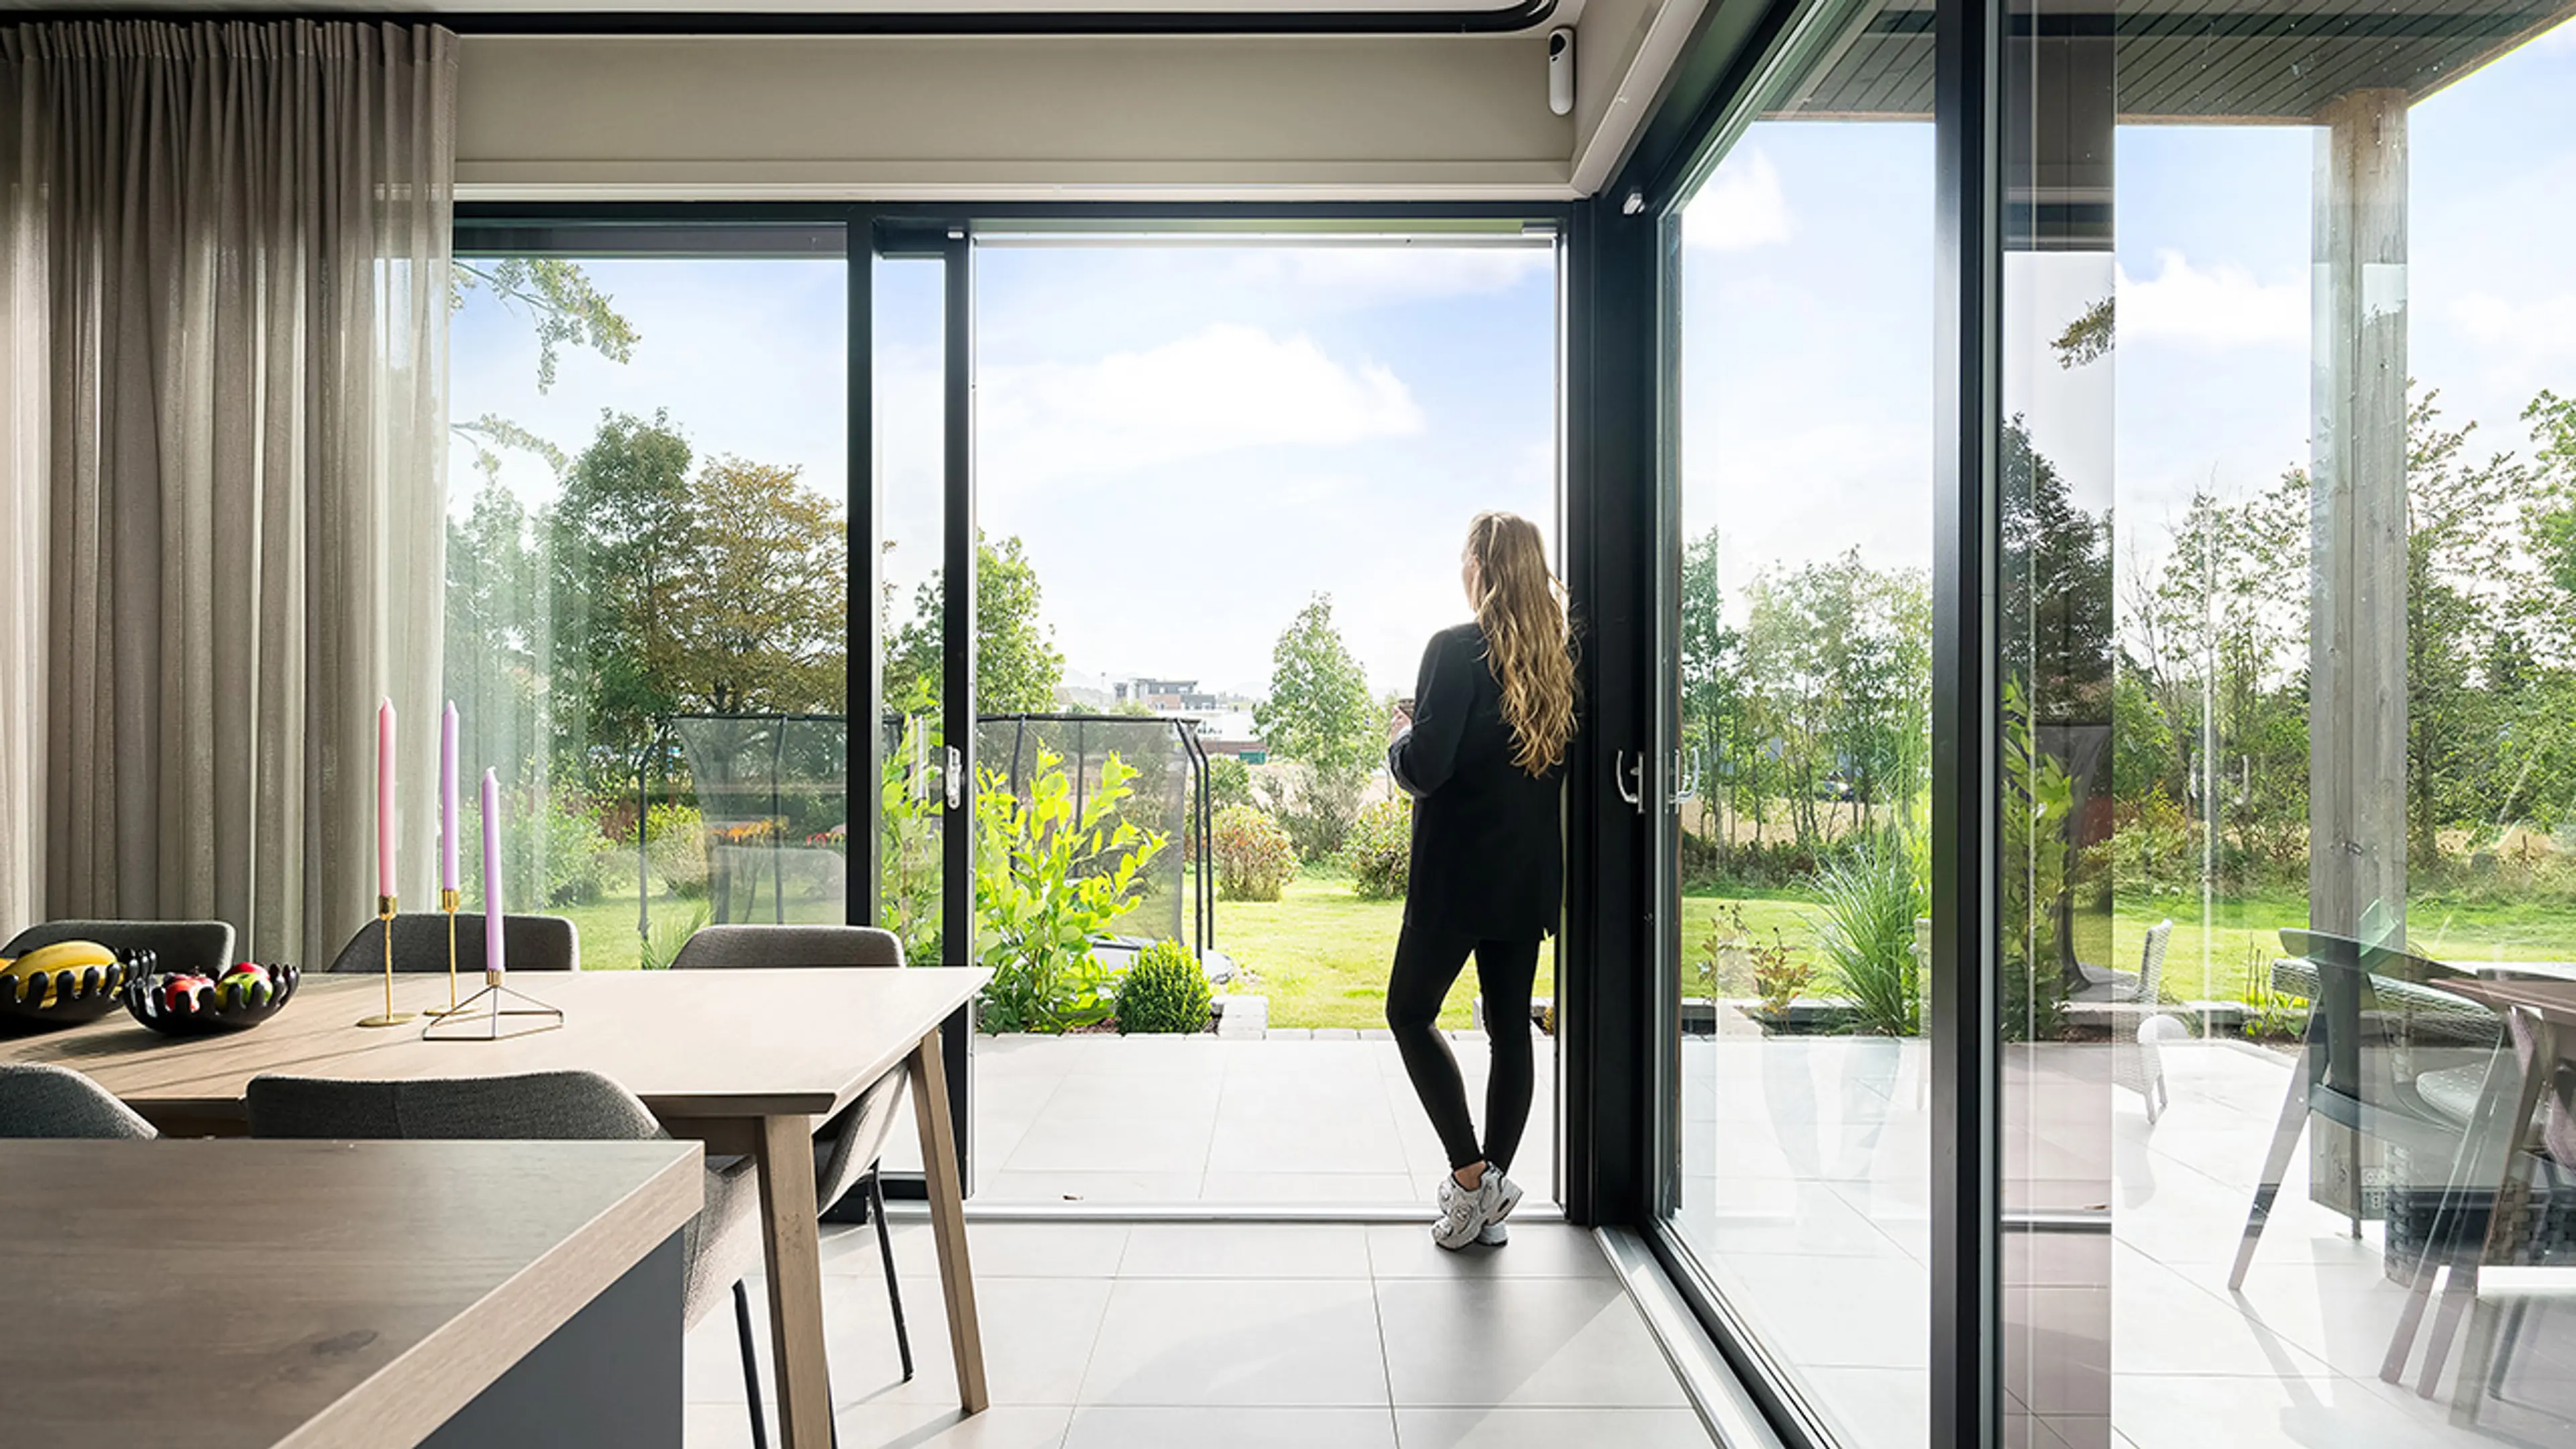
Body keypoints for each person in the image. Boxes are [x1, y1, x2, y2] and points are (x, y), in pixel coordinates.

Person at [1385, 511, 1576, 1250]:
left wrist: (1401, 735)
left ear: (1479, 568)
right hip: (1524, 880)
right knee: (1508, 1029)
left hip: (1455, 879)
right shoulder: (1560, 662)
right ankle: (1491, 1193)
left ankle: (1469, 1180)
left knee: (1409, 1013)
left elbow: (1425, 768)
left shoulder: (1455, 650)